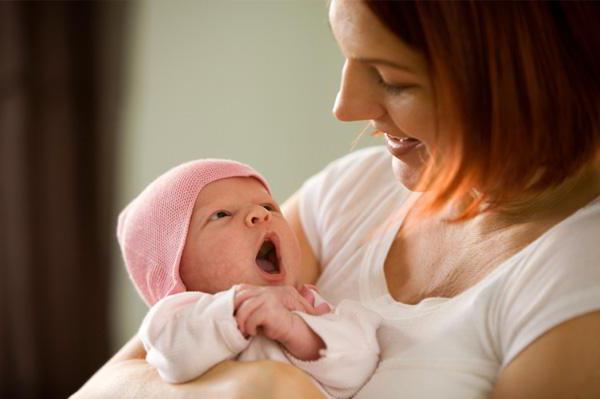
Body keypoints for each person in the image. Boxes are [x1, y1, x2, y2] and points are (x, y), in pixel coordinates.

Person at [72, 0, 600, 398]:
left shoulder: (576, 276)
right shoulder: (355, 191)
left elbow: (345, 354)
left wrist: (291, 366)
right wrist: (262, 388)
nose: (345, 108)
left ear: (528, 81)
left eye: (393, 80)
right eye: (346, 58)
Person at [115, 159, 381, 398]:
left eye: (268, 206)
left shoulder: (313, 309)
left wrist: (299, 332)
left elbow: (359, 367)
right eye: (221, 214)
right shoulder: (175, 318)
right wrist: (236, 308)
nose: (260, 214)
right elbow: (174, 358)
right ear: (175, 267)